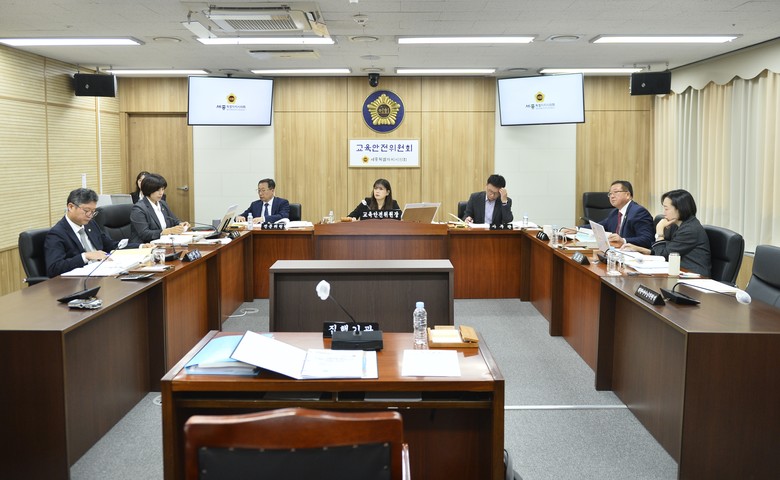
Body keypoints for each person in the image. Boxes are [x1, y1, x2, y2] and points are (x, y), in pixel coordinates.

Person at [45, 188, 143, 277]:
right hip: (79, 281)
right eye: (86, 210)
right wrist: (85, 256)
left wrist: (141, 247)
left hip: (104, 272)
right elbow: (54, 268)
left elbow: (111, 245)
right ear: (70, 207)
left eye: (93, 211)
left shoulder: (90, 224)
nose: (90, 215)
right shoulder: (57, 233)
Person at [623, 189, 711, 276]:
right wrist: (639, 249)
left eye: (666, 209)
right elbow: (664, 250)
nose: (664, 213)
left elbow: (662, 255)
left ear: (680, 209)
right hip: (677, 271)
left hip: (693, 276)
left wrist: (660, 231)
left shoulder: (690, 230)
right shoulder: (675, 224)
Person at [129, 173, 189, 243]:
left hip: (163, 242)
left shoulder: (162, 204)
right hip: (145, 245)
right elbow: (144, 234)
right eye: (158, 190)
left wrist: (181, 224)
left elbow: (174, 220)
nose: (161, 193)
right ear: (149, 189)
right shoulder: (138, 208)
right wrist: (166, 231)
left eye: (162, 189)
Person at [597, 180, 654, 248]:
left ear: (627, 195)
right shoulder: (615, 212)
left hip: (634, 252)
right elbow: (599, 226)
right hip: (617, 251)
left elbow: (647, 239)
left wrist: (623, 240)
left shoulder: (638, 212)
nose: (612, 196)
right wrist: (584, 229)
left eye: (616, 192)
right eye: (610, 193)